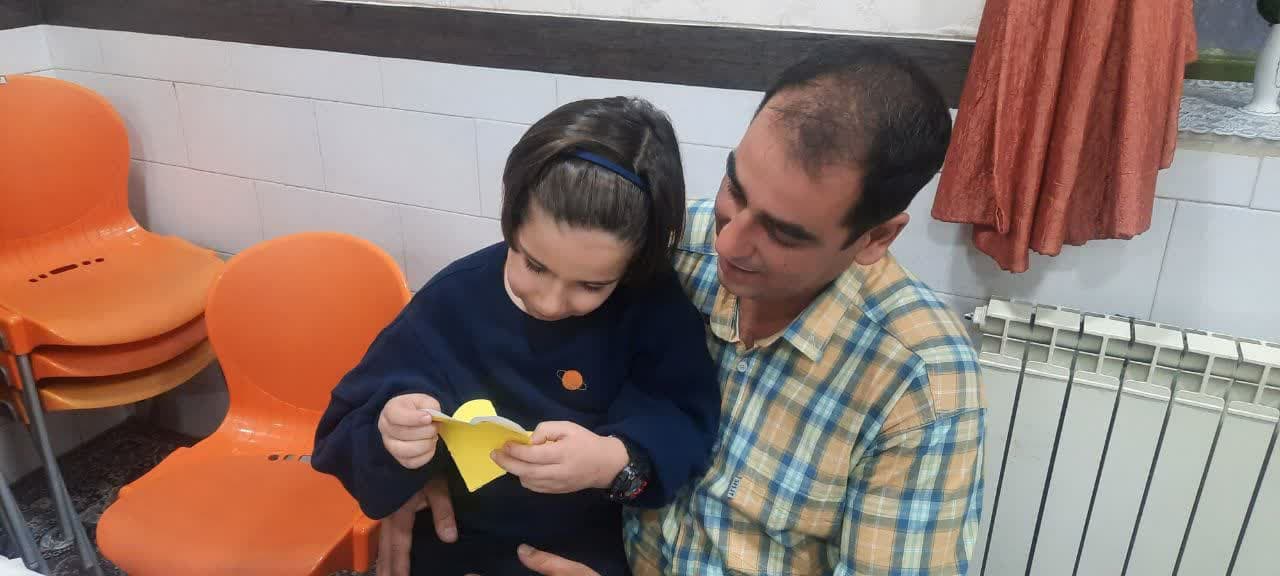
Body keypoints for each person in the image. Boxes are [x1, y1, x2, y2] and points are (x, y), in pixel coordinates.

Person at [380, 42, 985, 576]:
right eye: (735, 188)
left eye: (783, 233)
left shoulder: (920, 387)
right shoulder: (659, 244)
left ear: (876, 237)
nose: (729, 243)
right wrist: (415, 464)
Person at [311, 96, 722, 576]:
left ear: (633, 265)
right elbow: (343, 427)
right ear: (511, 222)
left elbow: (683, 417)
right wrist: (391, 436)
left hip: (579, 551)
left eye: (591, 286)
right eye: (535, 265)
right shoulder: (454, 299)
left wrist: (611, 459)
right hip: (453, 540)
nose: (550, 302)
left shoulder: (651, 308)